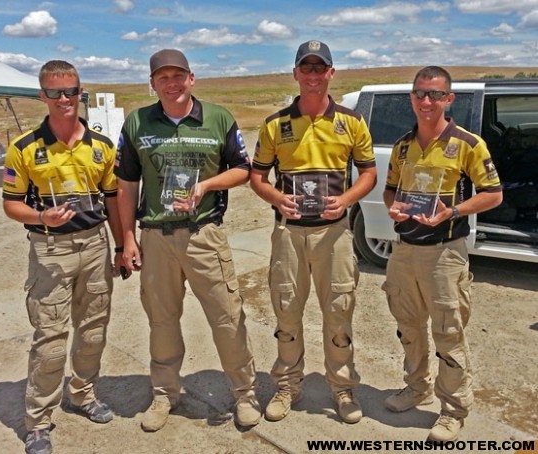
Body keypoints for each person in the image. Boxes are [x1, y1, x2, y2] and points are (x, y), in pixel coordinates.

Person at [115, 48, 260, 432]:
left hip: (203, 235)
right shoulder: (137, 123)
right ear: (152, 83)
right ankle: (165, 394)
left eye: (178, 75)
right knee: (162, 321)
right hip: (156, 237)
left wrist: (206, 185)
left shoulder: (218, 118)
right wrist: (128, 238)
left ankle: (245, 394)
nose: (172, 83)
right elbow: (126, 185)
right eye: (163, 77)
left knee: (227, 317)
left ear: (191, 78)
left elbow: (243, 169)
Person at [250, 40, 377, 424]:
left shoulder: (352, 122)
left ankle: (342, 388)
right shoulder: (276, 124)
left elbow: (368, 173)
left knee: (339, 311)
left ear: (331, 74)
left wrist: (347, 200)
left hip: (334, 233)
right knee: (287, 311)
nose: (313, 75)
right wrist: (276, 198)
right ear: (295, 74)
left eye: (319, 68)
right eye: (306, 68)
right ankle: (288, 384)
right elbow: (257, 176)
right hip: (290, 233)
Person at [2, 60, 126, 454]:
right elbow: (10, 204)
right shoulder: (24, 148)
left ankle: (83, 394)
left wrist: (123, 246)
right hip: (50, 249)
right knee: (51, 339)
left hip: (94, 245)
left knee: (93, 331)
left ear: (80, 92)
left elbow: (113, 200)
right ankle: (38, 421)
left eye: (71, 91)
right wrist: (41, 216)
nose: (64, 99)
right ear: (42, 95)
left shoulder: (102, 146)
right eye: (55, 93)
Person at [382, 66, 503, 442]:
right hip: (404, 251)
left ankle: (453, 409)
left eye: (435, 94)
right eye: (420, 94)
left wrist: (453, 211)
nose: (427, 101)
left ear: (449, 99)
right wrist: (394, 207)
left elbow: (493, 194)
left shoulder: (468, 143)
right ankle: (417, 387)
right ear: (411, 98)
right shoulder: (403, 146)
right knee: (409, 326)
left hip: (444, 254)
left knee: (448, 331)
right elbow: (390, 190)